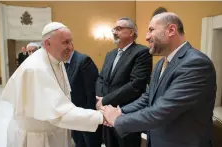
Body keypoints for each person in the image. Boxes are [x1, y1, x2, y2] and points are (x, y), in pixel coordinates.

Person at [101, 12, 217, 147]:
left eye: (151, 30)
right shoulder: (161, 63)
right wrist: (121, 111)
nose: (146, 37)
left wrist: (118, 120)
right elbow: (148, 97)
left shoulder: (196, 63)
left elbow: (162, 111)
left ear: (171, 30)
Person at [2, 22, 104, 147]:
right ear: (47, 43)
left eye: (71, 42)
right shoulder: (36, 69)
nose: (71, 47)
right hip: (38, 139)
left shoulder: (56, 60)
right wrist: (101, 117)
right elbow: (58, 113)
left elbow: (64, 96)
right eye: (65, 42)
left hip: (55, 132)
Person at [96, 17, 152, 147]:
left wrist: (105, 100)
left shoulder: (141, 52)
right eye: (114, 29)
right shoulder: (110, 54)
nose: (114, 32)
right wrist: (100, 100)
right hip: (106, 111)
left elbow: (135, 85)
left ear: (131, 32)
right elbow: (101, 78)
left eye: (119, 29)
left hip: (126, 112)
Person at [65, 45, 102, 147]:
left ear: (70, 47)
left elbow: (92, 91)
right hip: (74, 113)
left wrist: (89, 116)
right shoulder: (64, 63)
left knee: (90, 143)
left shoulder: (83, 60)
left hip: (86, 114)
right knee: (79, 142)